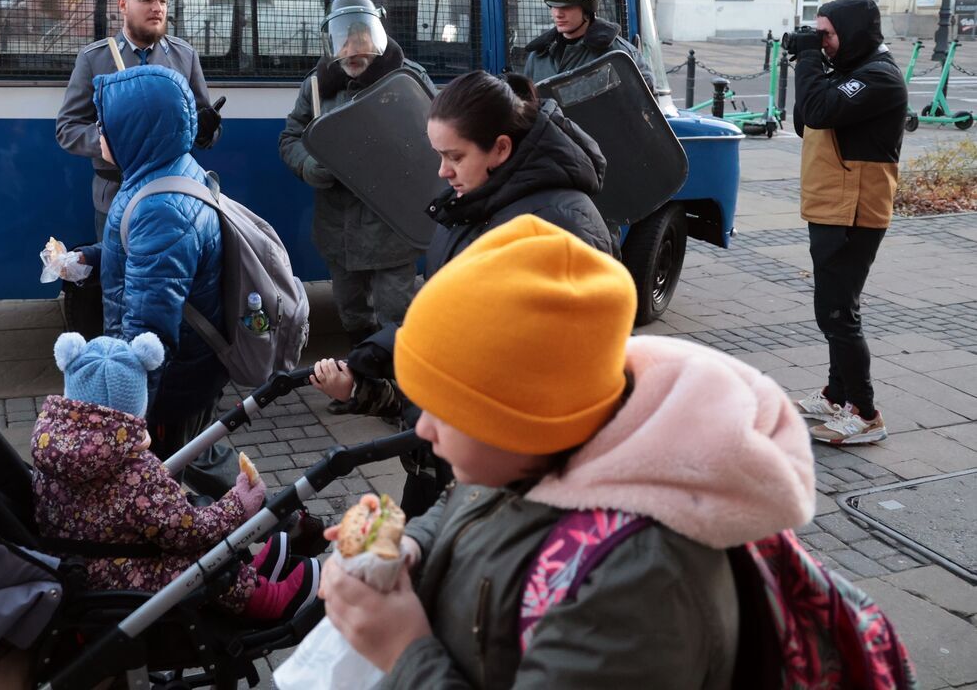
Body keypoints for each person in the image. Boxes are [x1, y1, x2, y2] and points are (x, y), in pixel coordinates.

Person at [318, 215, 817, 688]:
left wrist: (403, 652)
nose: (424, 429)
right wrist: (412, 549)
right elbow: (463, 506)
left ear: (522, 419)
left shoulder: (641, 582)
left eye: (445, 410)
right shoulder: (534, 458)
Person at [310, 70, 614, 518]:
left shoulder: (559, 227)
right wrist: (387, 354)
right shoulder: (479, 202)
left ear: (502, 149)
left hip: (502, 483)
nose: (442, 170)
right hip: (449, 457)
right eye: (438, 154)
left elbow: (532, 375)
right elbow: (457, 318)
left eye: (454, 155)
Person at [33, 331, 320, 620]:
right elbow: (185, 531)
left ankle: (247, 576)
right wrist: (237, 505)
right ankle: (256, 597)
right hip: (124, 578)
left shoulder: (50, 450)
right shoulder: (135, 471)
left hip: (80, 564)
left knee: (191, 521)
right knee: (202, 556)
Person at [95, 63, 237, 497]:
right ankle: (251, 516)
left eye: (105, 124)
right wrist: (92, 257)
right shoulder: (167, 169)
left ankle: (249, 532)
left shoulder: (160, 206)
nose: (99, 134)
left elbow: (150, 331)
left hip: (173, 384)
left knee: (168, 479)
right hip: (192, 373)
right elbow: (153, 261)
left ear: (135, 128)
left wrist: (128, 415)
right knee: (202, 452)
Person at [279, 0, 433, 346]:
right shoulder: (318, 85)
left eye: (360, 37)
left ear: (374, 34)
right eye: (343, 39)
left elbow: (436, 140)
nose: (352, 49)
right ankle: (364, 388)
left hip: (391, 226)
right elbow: (290, 137)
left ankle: (400, 392)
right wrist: (309, 164)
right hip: (339, 229)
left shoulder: (406, 80)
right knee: (351, 313)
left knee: (396, 314)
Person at [789, 0, 907, 446]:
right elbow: (807, 117)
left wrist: (807, 59)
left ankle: (866, 412)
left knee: (839, 313)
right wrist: (813, 63)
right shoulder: (848, 71)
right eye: (818, 33)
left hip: (854, 210)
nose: (823, 42)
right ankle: (838, 394)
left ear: (854, 33)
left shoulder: (880, 78)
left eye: (828, 34)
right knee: (832, 308)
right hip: (832, 205)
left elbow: (819, 112)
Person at [57, 0, 221, 237]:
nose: (157, 8)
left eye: (163, 1)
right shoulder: (94, 59)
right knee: (117, 278)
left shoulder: (185, 57)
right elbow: (67, 129)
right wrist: (106, 143)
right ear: (123, 5)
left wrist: (207, 131)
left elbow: (205, 130)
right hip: (115, 198)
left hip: (173, 196)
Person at [520, 0, 653, 90]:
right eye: (553, 6)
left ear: (587, 8)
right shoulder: (539, 56)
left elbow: (646, 105)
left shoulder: (619, 55)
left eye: (566, 7)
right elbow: (527, 103)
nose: (557, 14)